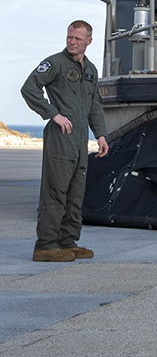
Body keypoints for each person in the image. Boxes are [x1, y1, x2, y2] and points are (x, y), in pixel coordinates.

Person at [21, 20, 109, 262]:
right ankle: (46, 246)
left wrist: (100, 135)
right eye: (70, 37)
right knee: (55, 192)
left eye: (77, 39)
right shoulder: (55, 63)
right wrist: (53, 114)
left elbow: (94, 105)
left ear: (89, 41)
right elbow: (29, 88)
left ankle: (67, 242)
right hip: (60, 138)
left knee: (75, 193)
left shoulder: (90, 69)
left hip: (80, 140)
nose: (72, 42)